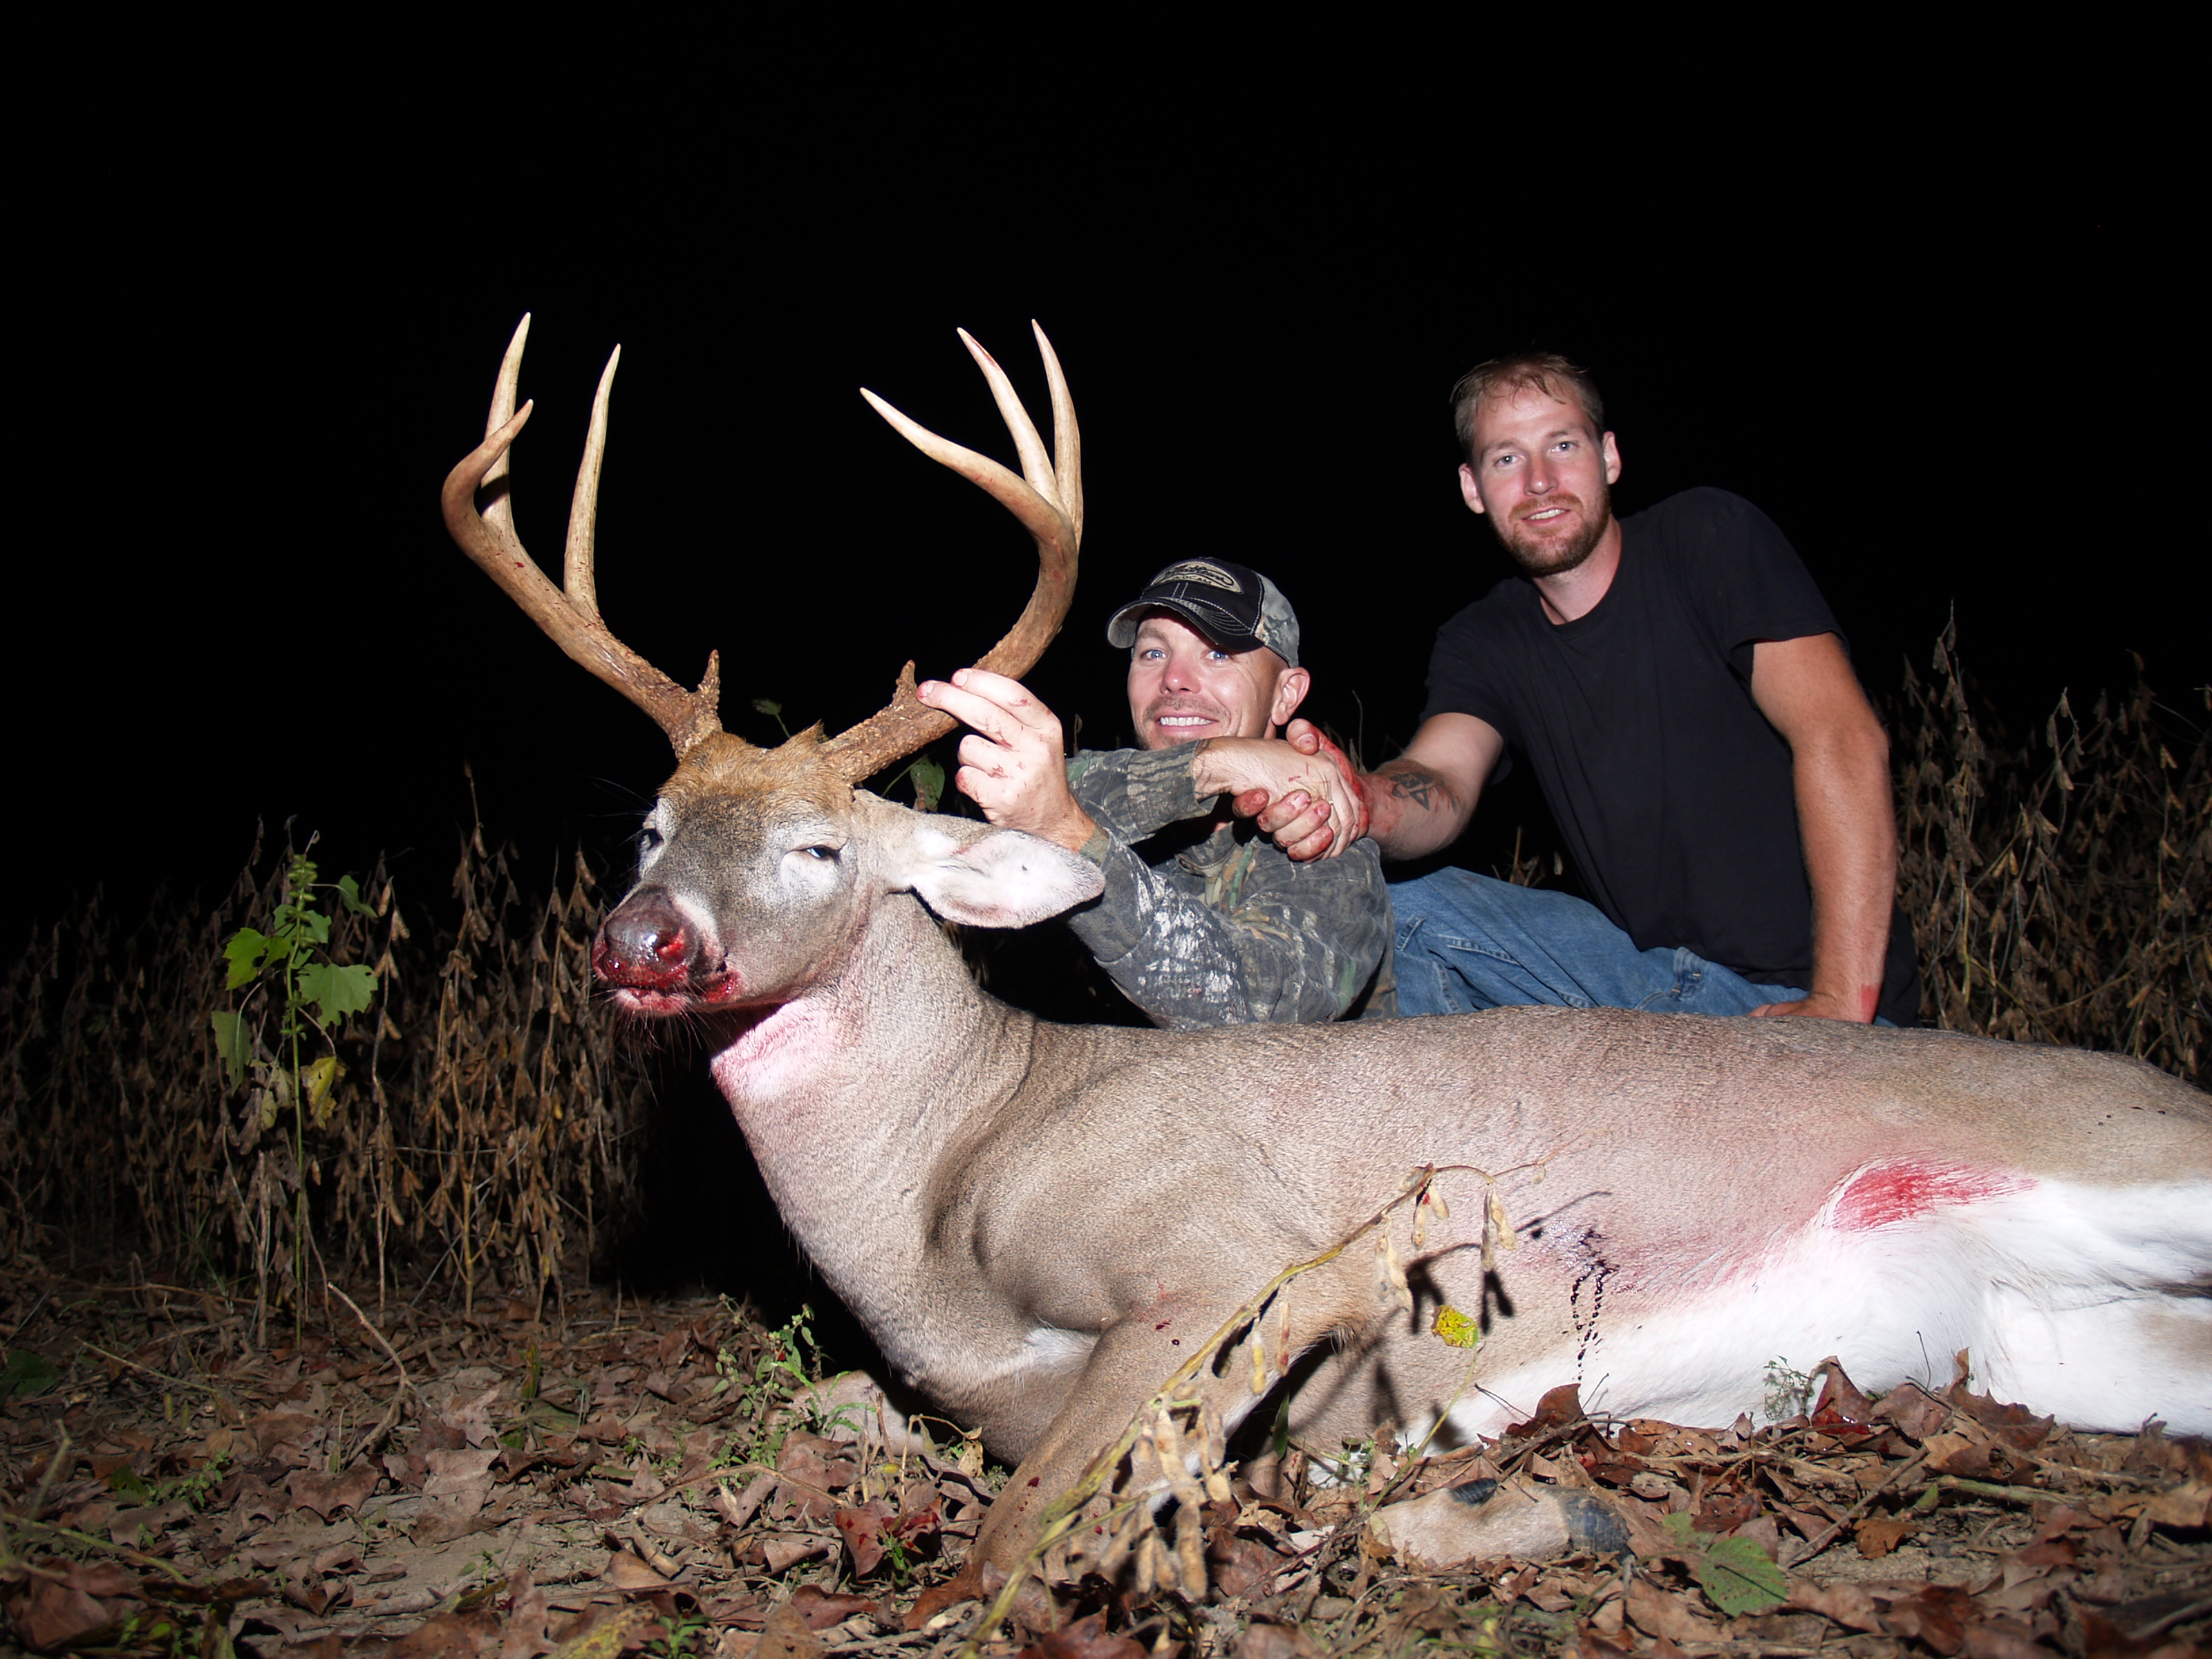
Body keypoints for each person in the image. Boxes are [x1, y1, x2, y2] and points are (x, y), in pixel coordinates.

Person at [1245, 353, 1921, 1026]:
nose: (1539, 481)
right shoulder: (1484, 638)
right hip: (1647, 988)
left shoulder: (1707, 537)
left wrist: (1840, 1005)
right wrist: (1353, 799)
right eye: (1506, 458)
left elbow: (1839, 733)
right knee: (1385, 903)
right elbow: (1441, 777)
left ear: (1609, 457)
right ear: (1472, 489)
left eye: (1562, 445)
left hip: (1795, 997)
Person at [916, 559, 1396, 1029]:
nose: (1174, 679)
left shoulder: (1325, 840)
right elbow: (1049, 793)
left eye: (1218, 655)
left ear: (1286, 695)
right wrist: (1211, 764)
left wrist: (1070, 837)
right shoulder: (1107, 786)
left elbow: (1255, 1013)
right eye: (1153, 654)